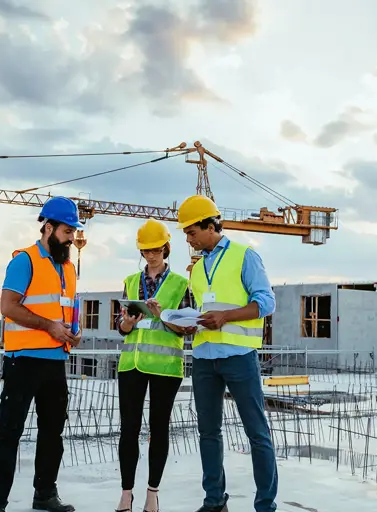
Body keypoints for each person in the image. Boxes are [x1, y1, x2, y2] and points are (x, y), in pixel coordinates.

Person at [177, 195, 278, 512]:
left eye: (192, 232)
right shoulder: (196, 270)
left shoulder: (244, 256)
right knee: (208, 432)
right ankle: (214, 501)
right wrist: (188, 324)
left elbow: (266, 302)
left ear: (210, 226)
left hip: (239, 356)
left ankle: (265, 505)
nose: (189, 239)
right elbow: (204, 309)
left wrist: (226, 317)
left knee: (257, 433)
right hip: (204, 357)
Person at [0, 196, 84, 512]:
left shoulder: (68, 268)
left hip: (56, 360)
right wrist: (49, 327)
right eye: (68, 231)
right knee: (9, 432)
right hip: (23, 361)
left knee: (53, 432)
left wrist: (70, 332)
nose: (72, 237)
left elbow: (62, 312)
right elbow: (8, 306)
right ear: (48, 227)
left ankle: (45, 495)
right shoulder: (23, 261)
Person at [114, 219, 198, 512]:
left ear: (166, 248)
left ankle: (152, 493)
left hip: (165, 368)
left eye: (155, 250)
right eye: (145, 250)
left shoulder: (181, 284)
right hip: (132, 364)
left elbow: (189, 328)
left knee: (159, 430)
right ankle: (126, 494)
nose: (150, 255)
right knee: (128, 430)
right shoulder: (129, 282)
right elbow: (121, 326)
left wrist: (166, 317)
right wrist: (128, 322)